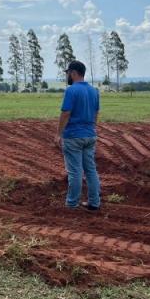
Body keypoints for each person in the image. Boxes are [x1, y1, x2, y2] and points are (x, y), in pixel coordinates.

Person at [53, 60, 101, 211]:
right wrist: (92, 128)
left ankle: (72, 203)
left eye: (68, 73)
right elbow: (96, 112)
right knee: (90, 170)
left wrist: (58, 134)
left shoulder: (71, 90)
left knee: (75, 172)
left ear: (73, 73)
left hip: (73, 136)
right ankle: (94, 202)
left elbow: (66, 113)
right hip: (90, 135)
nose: (67, 76)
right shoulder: (94, 91)